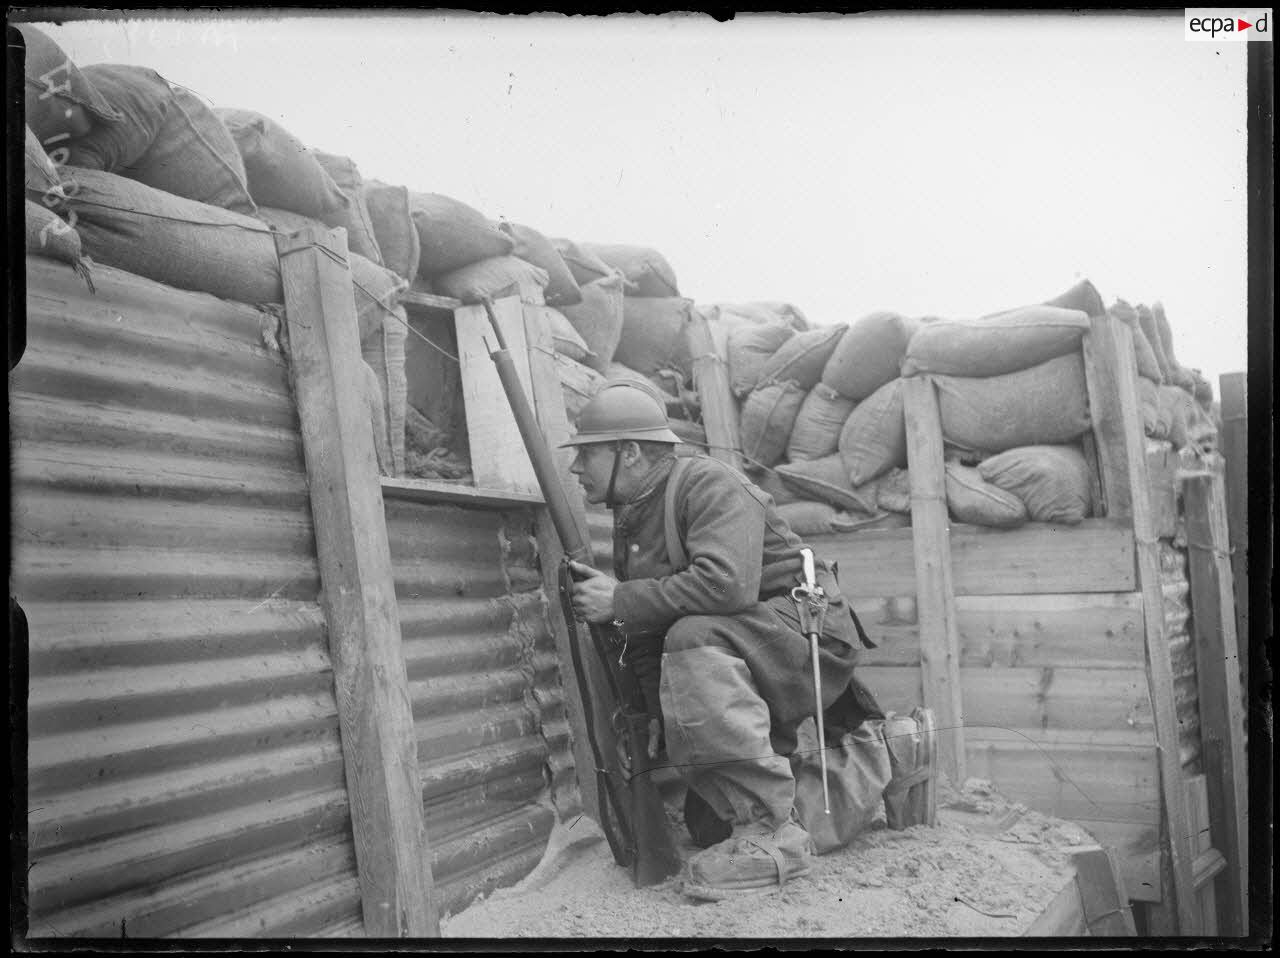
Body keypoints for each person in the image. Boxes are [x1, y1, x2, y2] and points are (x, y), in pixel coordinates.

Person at [563, 382, 935, 900]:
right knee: (711, 827)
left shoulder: (706, 483)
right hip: (747, 648)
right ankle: (888, 754)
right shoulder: (634, 516)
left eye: (586, 452)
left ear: (629, 452)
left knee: (693, 634)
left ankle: (771, 835)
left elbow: (725, 583)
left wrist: (620, 600)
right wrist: (653, 716)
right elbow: (651, 633)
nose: (576, 468)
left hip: (807, 640)